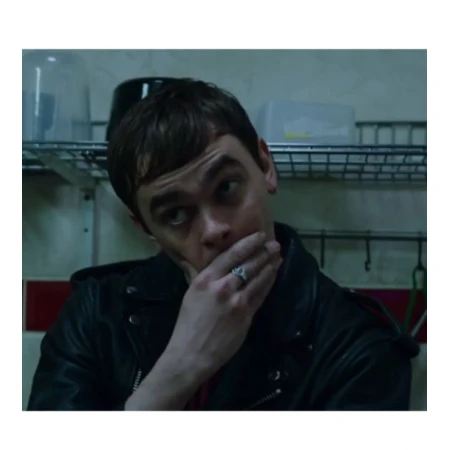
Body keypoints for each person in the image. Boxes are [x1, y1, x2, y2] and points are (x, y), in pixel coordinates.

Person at [27, 78, 419, 411]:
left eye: (227, 188)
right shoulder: (95, 312)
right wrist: (178, 372)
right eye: (175, 214)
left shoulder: (360, 346)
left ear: (265, 166)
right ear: (145, 227)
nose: (214, 230)